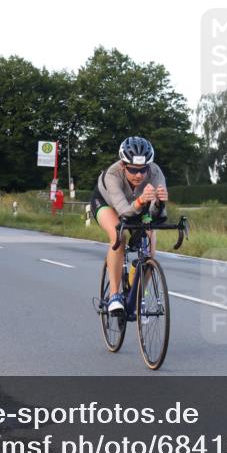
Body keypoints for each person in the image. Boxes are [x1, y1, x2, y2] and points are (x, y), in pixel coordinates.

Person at [91, 136, 168, 317]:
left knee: (150, 246)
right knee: (119, 236)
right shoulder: (112, 174)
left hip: (137, 205)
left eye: (143, 170)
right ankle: (115, 295)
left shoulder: (156, 173)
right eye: (133, 169)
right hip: (107, 203)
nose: (139, 175)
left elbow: (158, 216)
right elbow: (124, 212)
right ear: (123, 165)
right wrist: (141, 200)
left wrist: (159, 203)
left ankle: (137, 290)